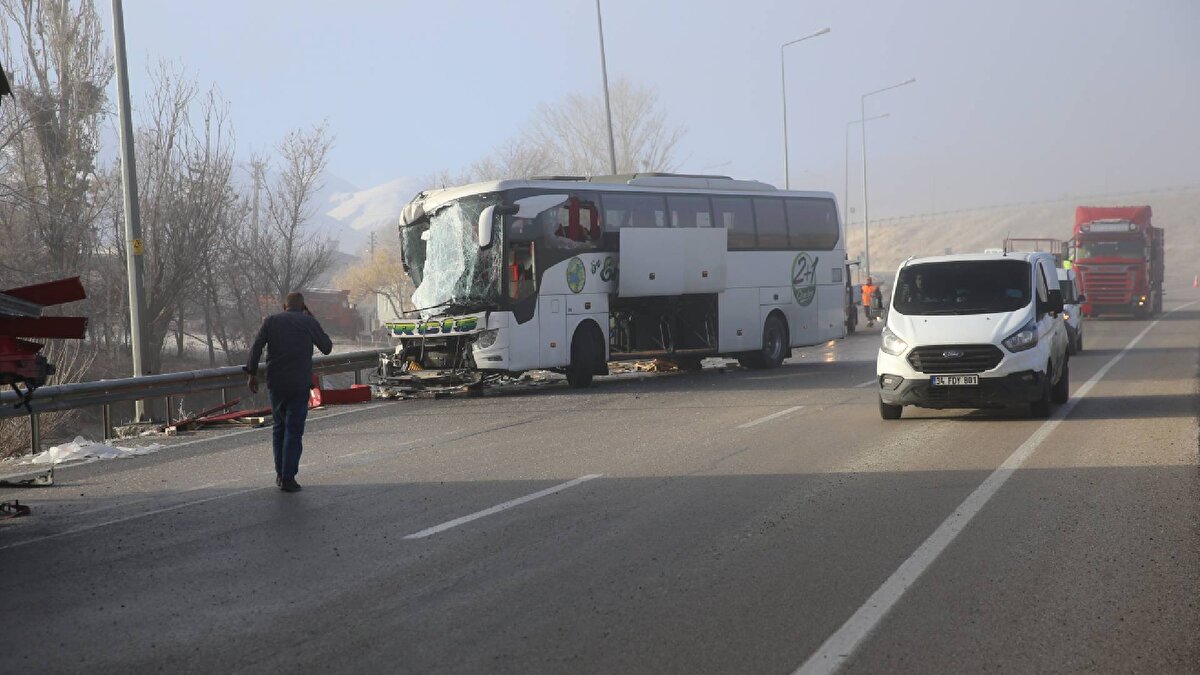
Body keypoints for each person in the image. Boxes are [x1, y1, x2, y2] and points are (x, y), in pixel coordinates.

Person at [244, 292, 333, 493]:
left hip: (276, 383)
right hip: (299, 384)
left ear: (285, 306)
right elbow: (326, 347)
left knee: (279, 427)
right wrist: (312, 319)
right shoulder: (307, 322)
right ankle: (288, 477)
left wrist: (252, 374)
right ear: (303, 306)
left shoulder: (271, 322)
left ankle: (279, 474)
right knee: (294, 430)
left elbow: (256, 348)